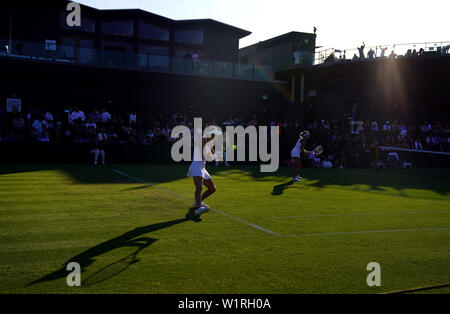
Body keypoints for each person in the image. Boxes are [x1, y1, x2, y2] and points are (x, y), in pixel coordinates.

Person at [187, 129, 217, 217]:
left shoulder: (210, 142)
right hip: (196, 165)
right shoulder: (203, 140)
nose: (214, 136)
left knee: (212, 188)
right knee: (199, 187)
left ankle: (197, 202)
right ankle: (199, 208)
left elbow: (211, 154)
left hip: (202, 167)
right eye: (213, 134)